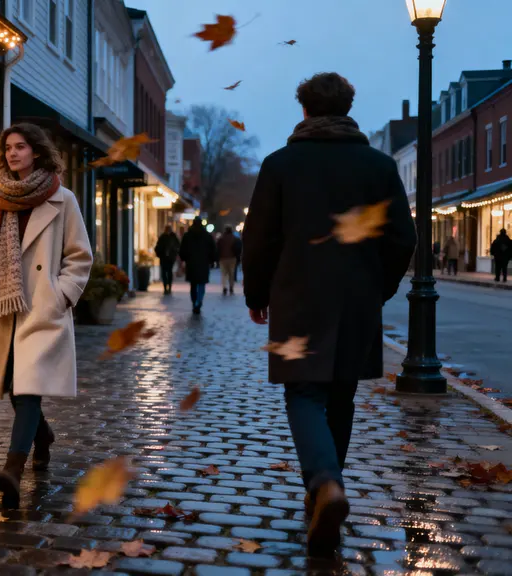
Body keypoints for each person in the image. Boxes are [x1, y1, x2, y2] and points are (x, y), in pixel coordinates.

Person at [242, 72, 416, 559]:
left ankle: (324, 483)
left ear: (304, 110)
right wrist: (377, 289)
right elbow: (404, 238)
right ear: (347, 108)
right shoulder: (379, 166)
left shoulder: (280, 165)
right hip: (357, 298)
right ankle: (325, 490)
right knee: (341, 394)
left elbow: (258, 238)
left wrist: (257, 292)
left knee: (303, 391)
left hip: (298, 296)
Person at [0, 123, 93, 509]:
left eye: (21, 147)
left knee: (28, 388)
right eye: (8, 148)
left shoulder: (62, 199)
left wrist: (60, 295)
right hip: (4, 306)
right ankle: (42, 434)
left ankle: (13, 469)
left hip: (41, 308)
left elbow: (80, 256)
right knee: (16, 388)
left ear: (37, 152)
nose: (13, 153)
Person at [178, 219, 217, 314]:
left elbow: (182, 250)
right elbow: (213, 249)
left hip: (191, 264)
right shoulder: (207, 236)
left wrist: (184, 259)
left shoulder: (187, 236)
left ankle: (194, 302)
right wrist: (212, 261)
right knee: (201, 284)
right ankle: (199, 301)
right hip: (203, 263)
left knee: (193, 285)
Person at [154, 225, 180, 295]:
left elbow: (178, 246)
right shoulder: (163, 237)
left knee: (169, 272)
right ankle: (166, 287)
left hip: (170, 258)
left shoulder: (173, 237)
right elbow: (157, 247)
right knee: (164, 273)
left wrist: (174, 252)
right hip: (164, 258)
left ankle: (169, 287)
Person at [217, 226, 243, 295]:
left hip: (223, 258)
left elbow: (217, 248)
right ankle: (231, 286)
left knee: (224, 274)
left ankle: (224, 286)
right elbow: (239, 248)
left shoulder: (221, 239)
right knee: (231, 273)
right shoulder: (235, 239)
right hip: (232, 258)